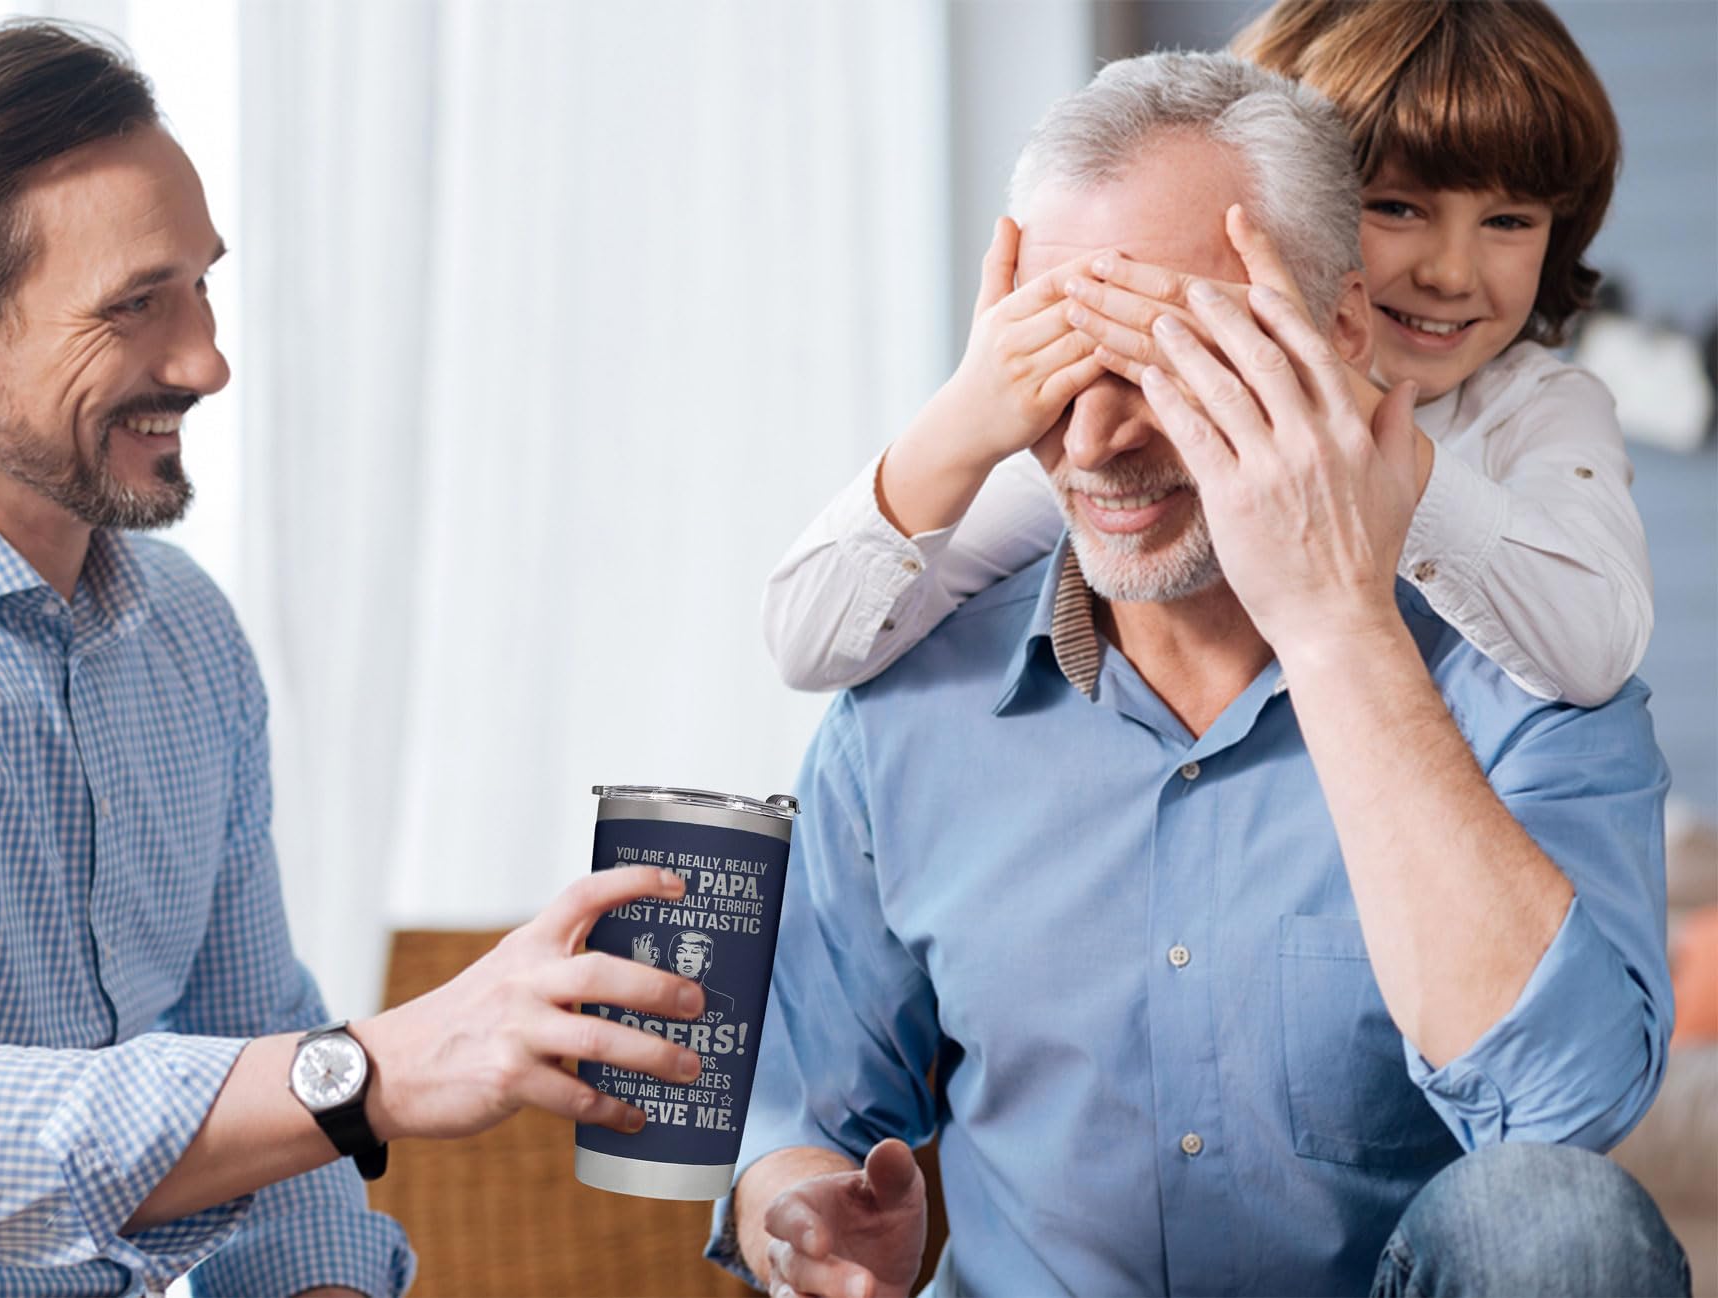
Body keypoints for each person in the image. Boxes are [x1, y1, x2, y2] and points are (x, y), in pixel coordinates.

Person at [0, 22, 705, 1297]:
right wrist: (367, 1069)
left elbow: (256, 1051)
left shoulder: (182, 632)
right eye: (133, 304)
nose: (205, 360)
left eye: (200, 285)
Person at [711, 52, 1685, 1298]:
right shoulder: (912, 697)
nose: (1097, 440)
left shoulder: (1520, 667)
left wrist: (1336, 629)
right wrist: (801, 1215)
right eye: (1059, 364)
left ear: (1339, 336)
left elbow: (1565, 1110)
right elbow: (801, 1116)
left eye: (1172, 361)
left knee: (1556, 1220)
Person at [761, 0, 1648, 715]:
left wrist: (1325, 394)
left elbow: (1594, 650)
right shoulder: (1123, 439)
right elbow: (811, 643)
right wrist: (967, 415)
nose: (1451, 273)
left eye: (1509, 220)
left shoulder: (1540, 407)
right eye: (1397, 208)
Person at [668, 931, 736, 1020]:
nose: (687, 958)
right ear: (672, 960)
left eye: (695, 952)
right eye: (681, 951)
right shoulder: (658, 996)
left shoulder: (725, 1003)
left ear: (707, 962)